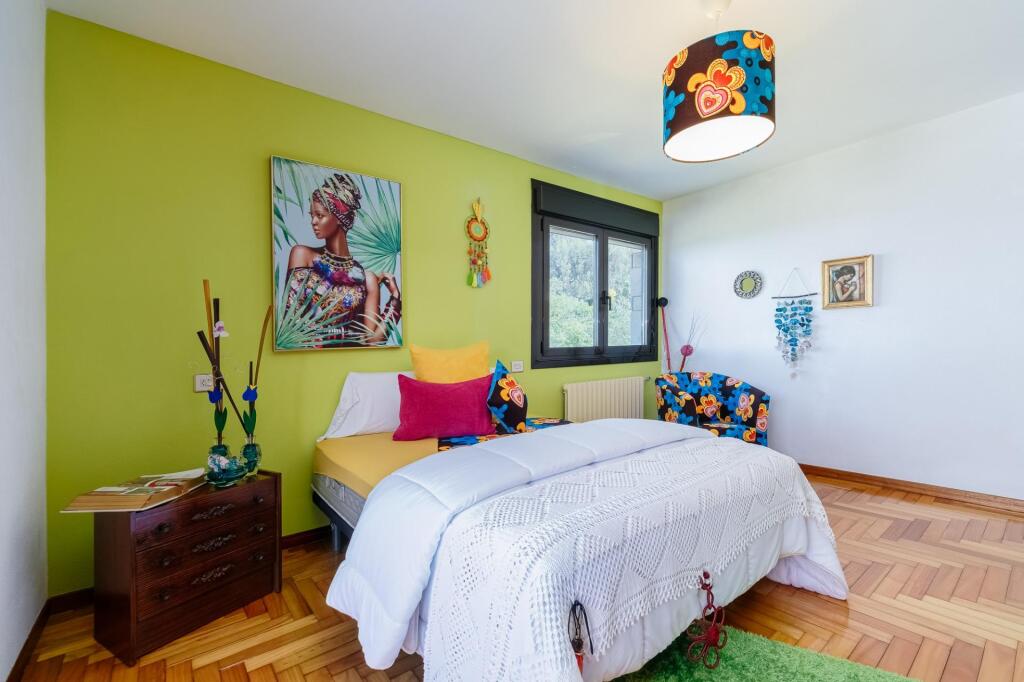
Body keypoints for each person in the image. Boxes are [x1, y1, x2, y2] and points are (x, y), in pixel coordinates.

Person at [283, 173, 400, 345]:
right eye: (311, 215)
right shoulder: (302, 255)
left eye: (320, 215)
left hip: (349, 356)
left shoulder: (367, 279)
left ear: (338, 217)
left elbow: (373, 341)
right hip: (307, 357)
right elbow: (292, 325)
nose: (313, 221)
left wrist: (395, 300)